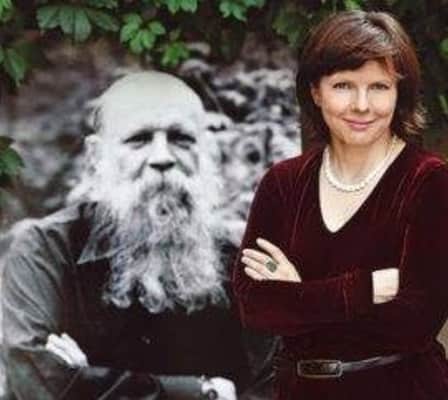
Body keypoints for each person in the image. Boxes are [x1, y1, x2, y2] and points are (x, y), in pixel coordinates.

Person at [232, 11, 448, 400]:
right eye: (343, 85)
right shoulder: (283, 183)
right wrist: (366, 288)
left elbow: (415, 324)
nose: (362, 105)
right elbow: (254, 307)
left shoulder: (430, 180)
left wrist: (298, 296)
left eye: (379, 87)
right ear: (315, 91)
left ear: (400, 93)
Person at [1, 71, 272, 399]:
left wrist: (89, 383)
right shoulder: (45, 252)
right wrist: (203, 393)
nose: (162, 157)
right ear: (96, 156)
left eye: (181, 138)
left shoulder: (235, 262)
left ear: (205, 150)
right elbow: (40, 387)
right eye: (139, 139)